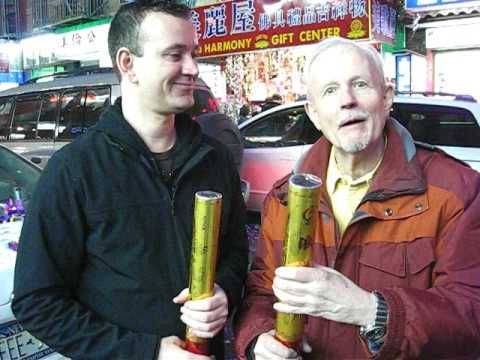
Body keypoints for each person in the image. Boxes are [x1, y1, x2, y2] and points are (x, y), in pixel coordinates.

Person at [13, 1, 248, 359]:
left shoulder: (213, 159)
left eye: (194, 53)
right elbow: (37, 301)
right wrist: (148, 352)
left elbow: (235, 253)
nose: (193, 68)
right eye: (175, 55)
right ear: (128, 63)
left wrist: (224, 291)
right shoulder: (74, 171)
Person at [234, 37, 480, 359]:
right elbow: (262, 293)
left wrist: (369, 310)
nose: (347, 100)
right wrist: (259, 339)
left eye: (360, 84)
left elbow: (470, 314)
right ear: (313, 113)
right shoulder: (284, 199)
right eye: (330, 91)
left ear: (387, 97)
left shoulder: (456, 191)